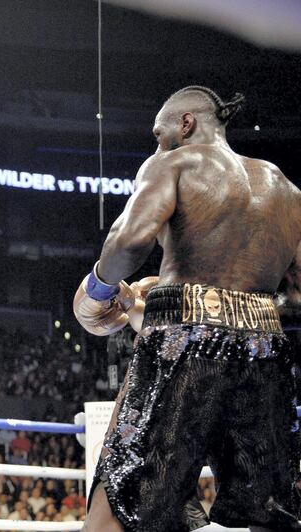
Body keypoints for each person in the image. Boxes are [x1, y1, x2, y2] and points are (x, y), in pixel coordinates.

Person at [73, 86, 301, 531]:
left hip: (183, 342)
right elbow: (296, 295)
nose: (156, 145)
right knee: (268, 511)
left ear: (186, 124)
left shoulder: (174, 162)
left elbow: (130, 240)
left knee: (121, 498)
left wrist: (100, 289)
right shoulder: (288, 190)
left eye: (159, 134)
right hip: (265, 349)